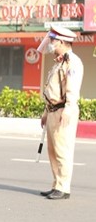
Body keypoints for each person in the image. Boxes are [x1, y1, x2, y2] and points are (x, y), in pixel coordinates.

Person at [38, 25, 84, 200]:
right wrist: (45, 112)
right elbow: (53, 91)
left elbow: (72, 89)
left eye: (53, 40)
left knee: (62, 150)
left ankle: (64, 188)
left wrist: (68, 110)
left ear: (63, 42)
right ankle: (57, 184)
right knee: (52, 150)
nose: (50, 43)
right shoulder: (60, 62)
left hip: (63, 111)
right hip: (52, 111)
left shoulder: (73, 62)